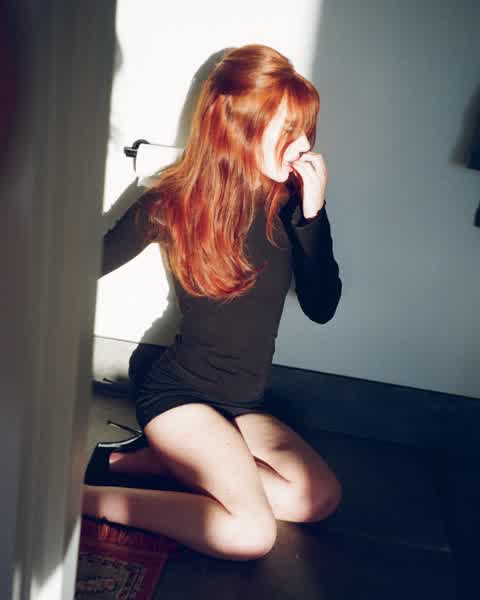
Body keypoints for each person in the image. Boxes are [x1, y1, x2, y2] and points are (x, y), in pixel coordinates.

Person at [82, 44, 343, 562]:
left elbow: (321, 306)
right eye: (289, 129)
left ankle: (144, 462)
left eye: (306, 129)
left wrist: (314, 216)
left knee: (318, 499)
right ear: (237, 128)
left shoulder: (292, 204)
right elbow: (81, 266)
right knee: (251, 534)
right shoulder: (171, 202)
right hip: (177, 397)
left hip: (243, 406)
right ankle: (80, 497)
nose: (304, 145)